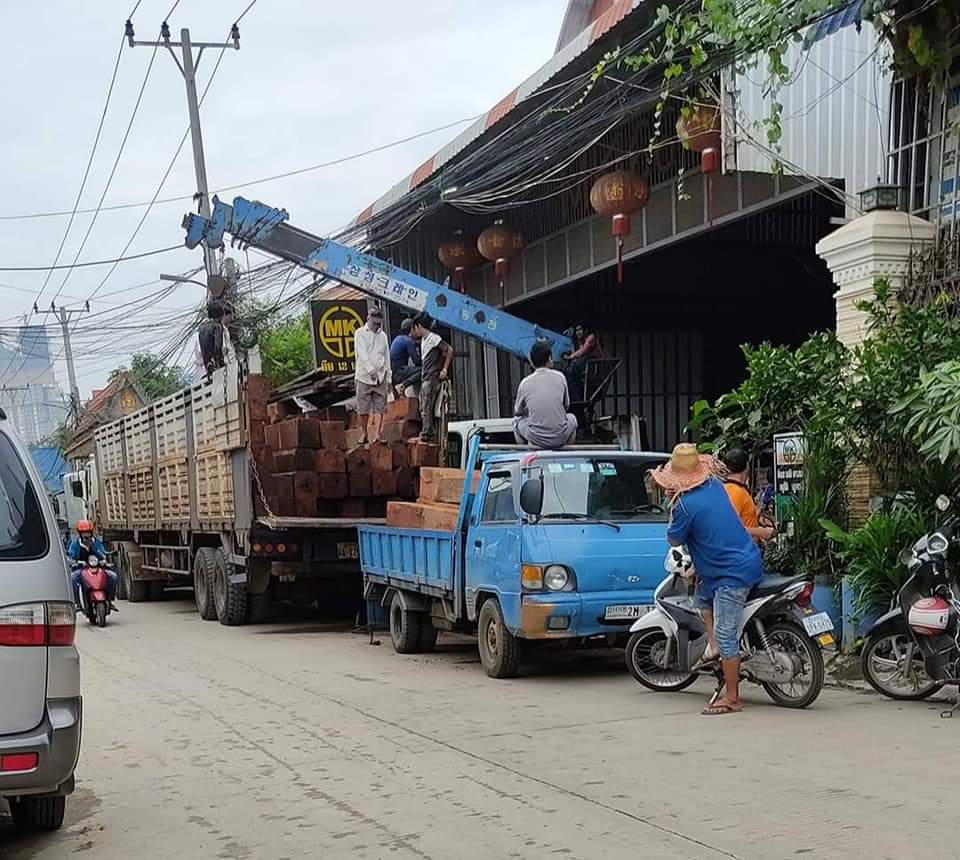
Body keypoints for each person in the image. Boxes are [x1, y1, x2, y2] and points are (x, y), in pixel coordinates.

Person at [652, 444, 763, 716]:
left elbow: (674, 539)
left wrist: (674, 504)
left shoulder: (684, 506)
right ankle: (713, 649)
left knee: (726, 636)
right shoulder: (714, 485)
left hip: (730, 575)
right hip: (742, 561)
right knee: (702, 598)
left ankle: (732, 697)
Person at [513, 340, 577, 448]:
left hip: (535, 438)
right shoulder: (560, 377)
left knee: (516, 422)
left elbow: (518, 412)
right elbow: (566, 406)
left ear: (532, 362)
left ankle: (526, 453)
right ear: (549, 359)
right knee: (572, 418)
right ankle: (566, 452)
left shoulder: (525, 383)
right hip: (560, 437)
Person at [410, 313, 453, 444]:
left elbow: (449, 350)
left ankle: (427, 433)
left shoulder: (433, 338)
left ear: (419, 326)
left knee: (426, 406)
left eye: (414, 328)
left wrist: (444, 369)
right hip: (426, 377)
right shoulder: (424, 340)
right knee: (424, 406)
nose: (415, 332)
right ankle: (428, 431)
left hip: (431, 378)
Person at [353, 306, 391, 445]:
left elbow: (386, 356)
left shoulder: (383, 336)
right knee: (363, 408)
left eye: (378, 323)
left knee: (380, 407)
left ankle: (377, 435)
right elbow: (362, 354)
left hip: (380, 376)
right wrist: (370, 370)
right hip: (364, 376)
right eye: (374, 323)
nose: (376, 326)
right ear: (368, 319)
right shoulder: (360, 333)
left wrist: (388, 376)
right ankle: (364, 433)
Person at [721, 448, 775, 543]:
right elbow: (730, 528)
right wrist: (761, 532)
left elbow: (741, 518)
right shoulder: (735, 491)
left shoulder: (735, 488)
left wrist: (757, 517)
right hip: (740, 549)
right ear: (747, 465)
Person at [67, 519, 118, 609]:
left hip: (98, 568)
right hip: (82, 569)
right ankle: (77, 603)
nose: (86, 535)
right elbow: (70, 556)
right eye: (84, 533)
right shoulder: (75, 544)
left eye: (88, 532)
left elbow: (102, 553)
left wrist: (103, 559)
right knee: (73, 578)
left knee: (113, 577)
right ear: (80, 533)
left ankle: (110, 600)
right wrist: (75, 562)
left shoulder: (96, 542)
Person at [565, 322, 602, 403]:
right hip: (586, 368)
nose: (577, 332)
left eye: (580, 330)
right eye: (576, 330)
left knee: (579, 362)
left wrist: (570, 356)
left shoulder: (591, 337)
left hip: (595, 367)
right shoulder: (580, 340)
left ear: (586, 330)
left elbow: (582, 351)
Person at [390, 318, 421, 391]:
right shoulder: (408, 341)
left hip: (393, 372)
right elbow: (416, 361)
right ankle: (404, 385)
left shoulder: (398, 338)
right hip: (399, 372)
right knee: (423, 371)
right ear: (412, 329)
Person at [197, 302, 225, 378]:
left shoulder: (201, 328)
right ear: (220, 316)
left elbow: (203, 348)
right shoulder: (217, 326)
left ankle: (209, 365)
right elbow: (218, 346)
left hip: (206, 361)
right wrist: (221, 363)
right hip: (215, 363)